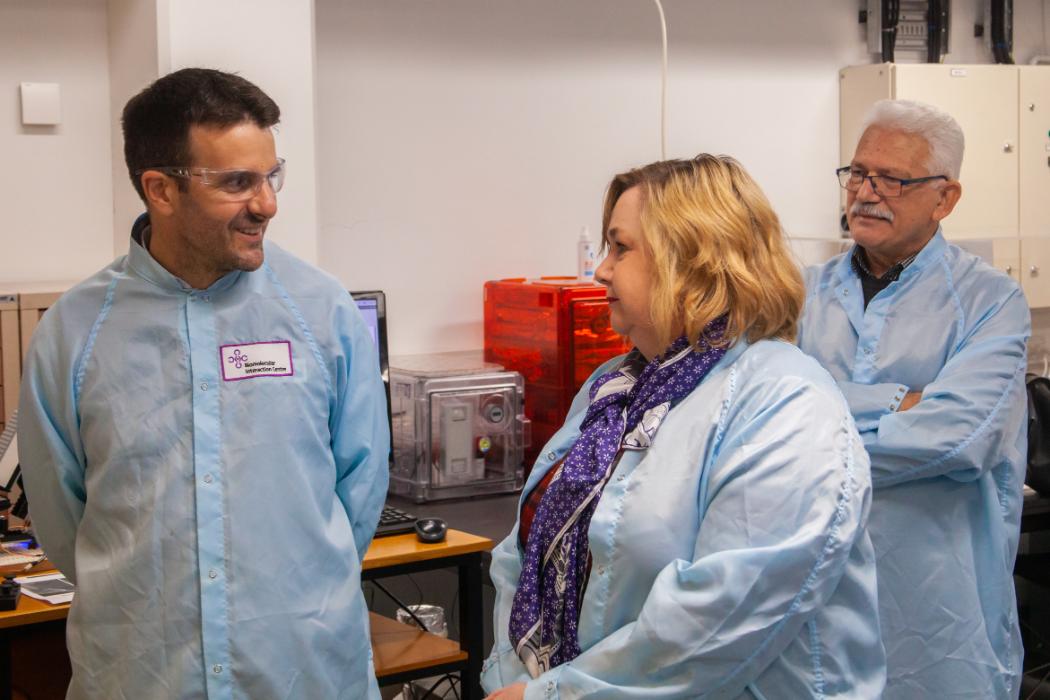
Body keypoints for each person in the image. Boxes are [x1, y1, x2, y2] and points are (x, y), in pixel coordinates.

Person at [17, 68, 389, 699]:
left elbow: (361, 488)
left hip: (301, 673)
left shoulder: (321, 312)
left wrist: (286, 599)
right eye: (237, 182)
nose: (266, 204)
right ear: (160, 190)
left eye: (271, 176)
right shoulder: (75, 333)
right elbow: (62, 519)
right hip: (144, 677)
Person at [482, 155, 886, 699]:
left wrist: (555, 694)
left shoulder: (786, 402)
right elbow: (524, 554)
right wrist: (512, 678)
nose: (601, 270)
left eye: (621, 248)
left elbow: (722, 618)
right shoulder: (615, 385)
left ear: (693, 260)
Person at [798, 99, 1030, 698]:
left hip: (939, 621)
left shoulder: (991, 302)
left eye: (891, 180)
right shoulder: (799, 295)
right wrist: (902, 400)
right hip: (813, 609)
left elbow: (957, 439)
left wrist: (807, 425)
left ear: (944, 198)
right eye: (857, 173)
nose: (865, 193)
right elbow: (754, 410)